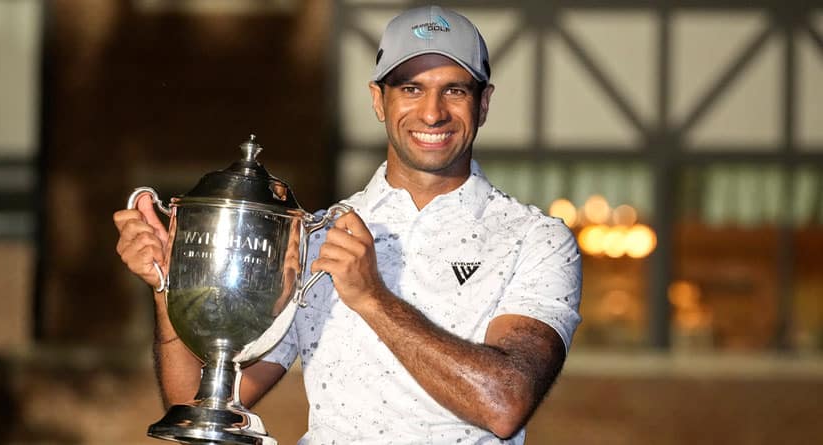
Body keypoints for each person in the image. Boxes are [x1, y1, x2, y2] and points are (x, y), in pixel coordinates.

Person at [114, 5, 581, 444]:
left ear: (483, 104)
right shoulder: (313, 235)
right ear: (379, 100)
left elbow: (504, 403)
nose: (433, 112)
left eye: (455, 90)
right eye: (411, 88)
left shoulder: (536, 239)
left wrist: (372, 298)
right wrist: (170, 283)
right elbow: (195, 403)